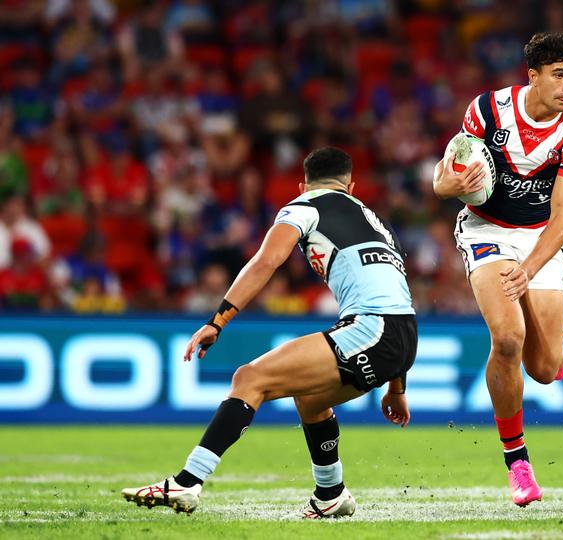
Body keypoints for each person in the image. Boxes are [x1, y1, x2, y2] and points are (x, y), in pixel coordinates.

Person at [121, 147, 417, 518]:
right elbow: (398, 296)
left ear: (302, 184)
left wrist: (218, 321)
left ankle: (187, 482)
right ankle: (331, 493)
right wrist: (396, 386)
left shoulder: (304, 206)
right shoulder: (379, 223)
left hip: (371, 328)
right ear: (351, 187)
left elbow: (265, 261)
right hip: (403, 334)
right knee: (310, 399)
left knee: (250, 378)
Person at [432, 32, 563, 507]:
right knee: (507, 338)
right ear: (534, 75)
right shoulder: (485, 111)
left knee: (544, 370)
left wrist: (528, 268)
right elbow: (443, 177)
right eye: (559, 74)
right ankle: (517, 462)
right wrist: (449, 185)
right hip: (485, 230)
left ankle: (555, 345)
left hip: (539, 239)